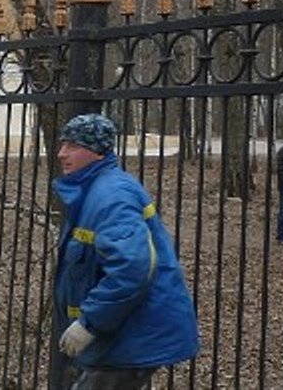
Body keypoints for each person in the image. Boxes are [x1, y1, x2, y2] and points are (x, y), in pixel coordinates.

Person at [53, 113, 199, 389]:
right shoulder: (93, 190)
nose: (62, 153)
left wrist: (89, 323)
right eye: (62, 144)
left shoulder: (111, 196)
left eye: (73, 146)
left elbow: (132, 268)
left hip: (129, 338)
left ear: (97, 153)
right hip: (122, 336)